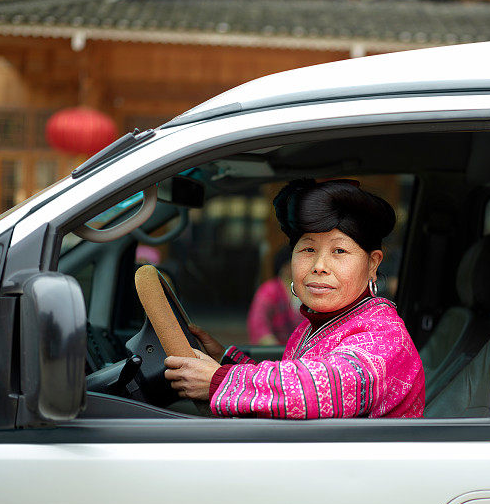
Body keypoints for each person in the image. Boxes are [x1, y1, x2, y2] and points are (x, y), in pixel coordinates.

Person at [165, 179, 425, 418]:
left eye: (339, 250)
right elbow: (289, 380)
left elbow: (321, 387)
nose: (319, 265)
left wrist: (219, 380)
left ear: (372, 264)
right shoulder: (313, 325)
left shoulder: (384, 336)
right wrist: (225, 359)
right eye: (308, 249)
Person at [246, 245, 304, 345]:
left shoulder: (308, 289)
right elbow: (259, 324)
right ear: (283, 266)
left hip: (303, 351)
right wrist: (275, 349)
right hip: (274, 350)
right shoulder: (269, 290)